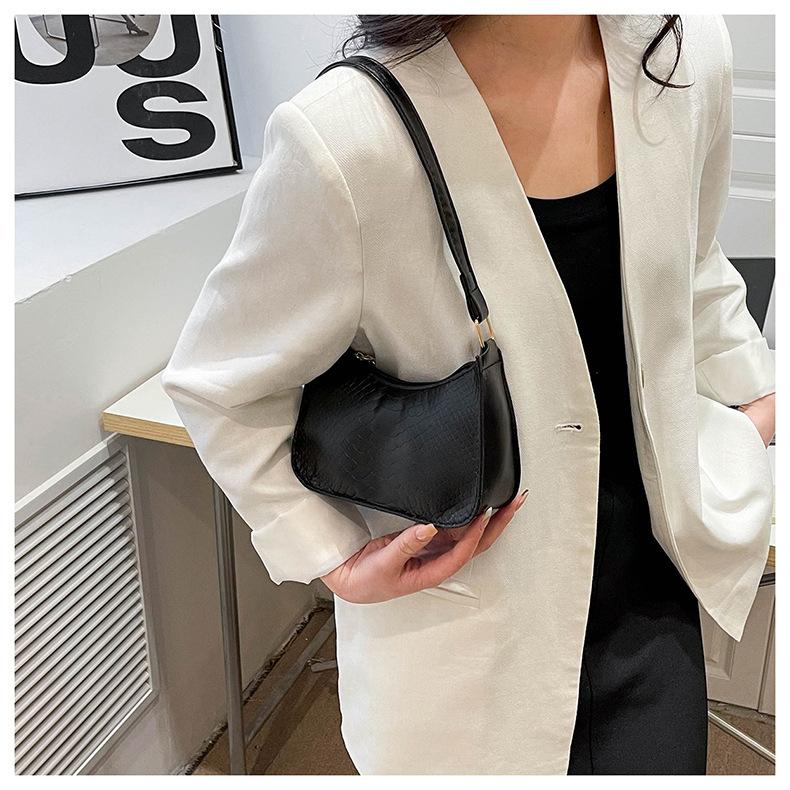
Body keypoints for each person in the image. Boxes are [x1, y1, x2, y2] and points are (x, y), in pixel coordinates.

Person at [161, 15, 776, 775]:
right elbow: (220, 382)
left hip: (653, 601)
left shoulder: (685, 51)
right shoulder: (348, 139)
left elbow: (695, 260)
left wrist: (754, 400)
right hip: (468, 640)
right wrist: (328, 554)